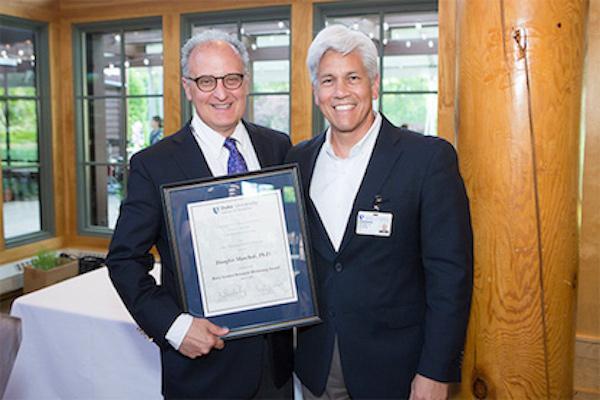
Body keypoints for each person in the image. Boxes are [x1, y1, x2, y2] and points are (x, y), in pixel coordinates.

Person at [286, 25, 473, 400]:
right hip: (316, 363)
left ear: (373, 85)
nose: (340, 91)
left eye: (352, 77)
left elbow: (450, 275)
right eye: (328, 80)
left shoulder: (427, 159)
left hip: (399, 370)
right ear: (315, 91)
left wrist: (436, 370)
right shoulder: (297, 160)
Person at [106, 30, 293, 399]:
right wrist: (174, 327)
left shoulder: (277, 146)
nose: (221, 93)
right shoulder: (153, 164)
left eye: (231, 79)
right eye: (206, 81)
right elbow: (124, 260)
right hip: (202, 368)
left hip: (275, 366)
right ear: (188, 87)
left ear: (246, 82)